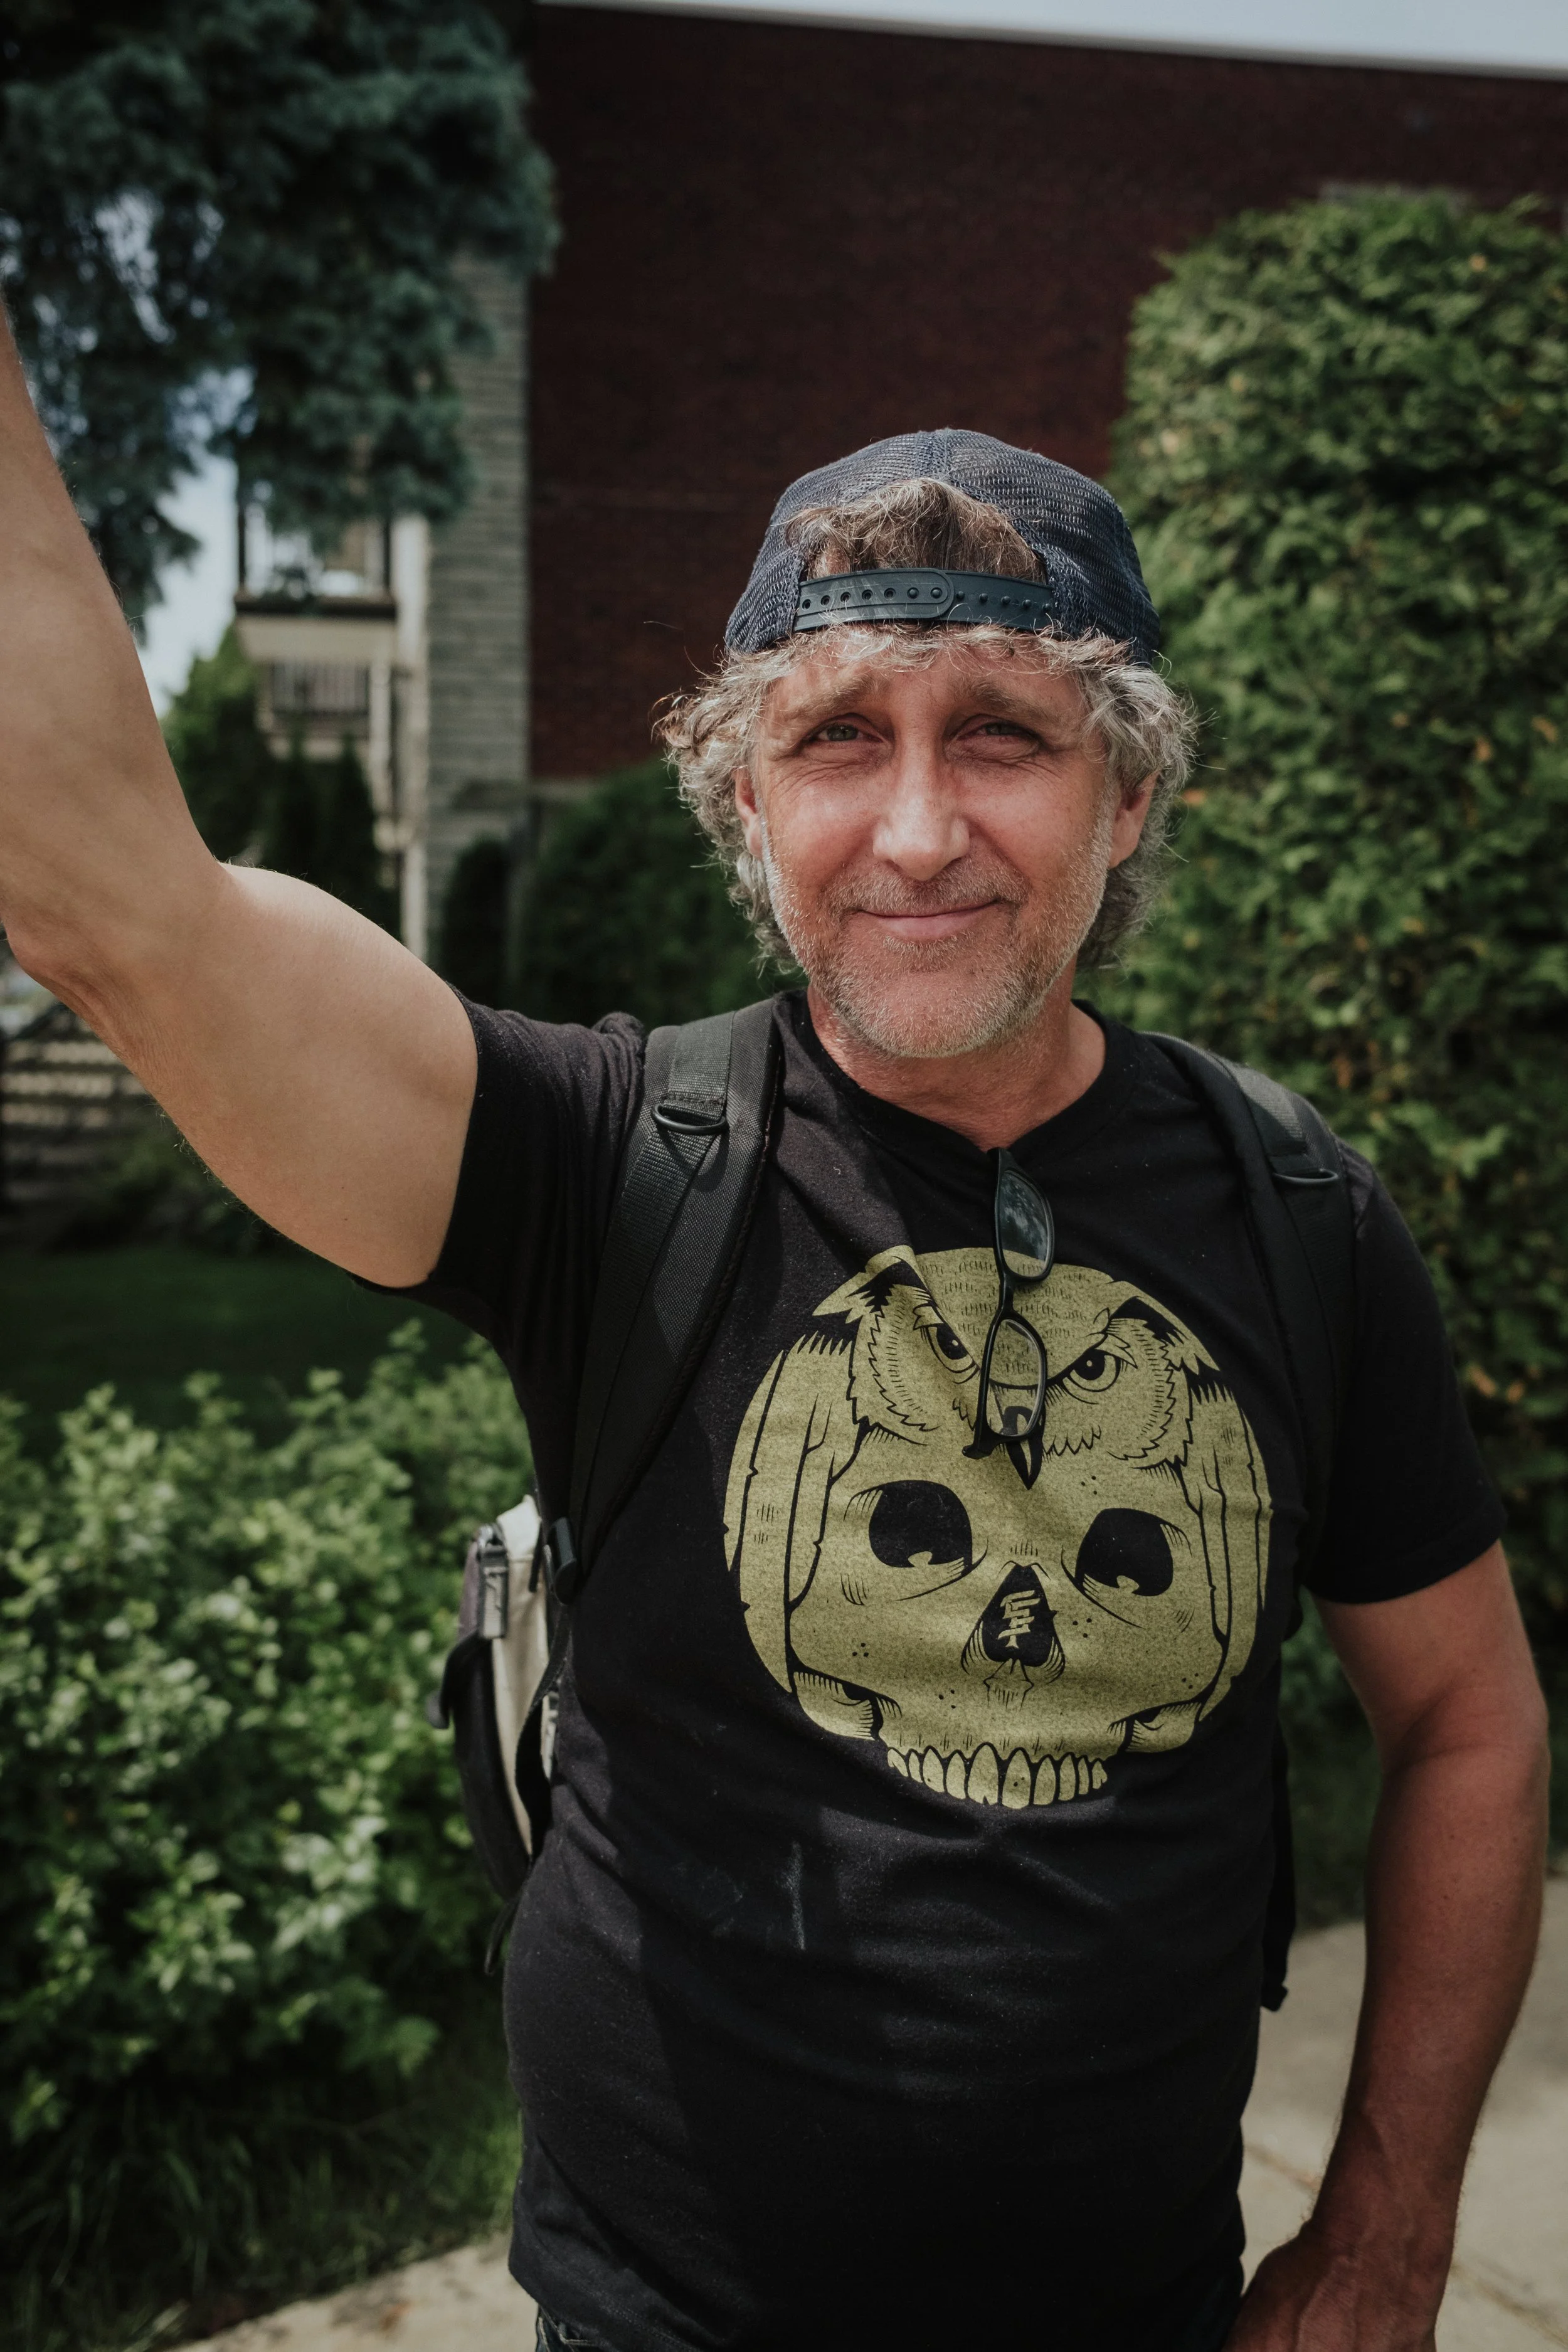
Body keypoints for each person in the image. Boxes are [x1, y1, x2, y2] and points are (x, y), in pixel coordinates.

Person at [0, 330, 1547, 2352]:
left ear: (1130, 789)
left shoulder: (1299, 1210)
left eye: (1000, 732)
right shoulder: (591, 1160)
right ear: (741, 792)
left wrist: (1383, 2237)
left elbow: (1469, 1720)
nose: (914, 831)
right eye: (834, 739)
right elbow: (114, 900)